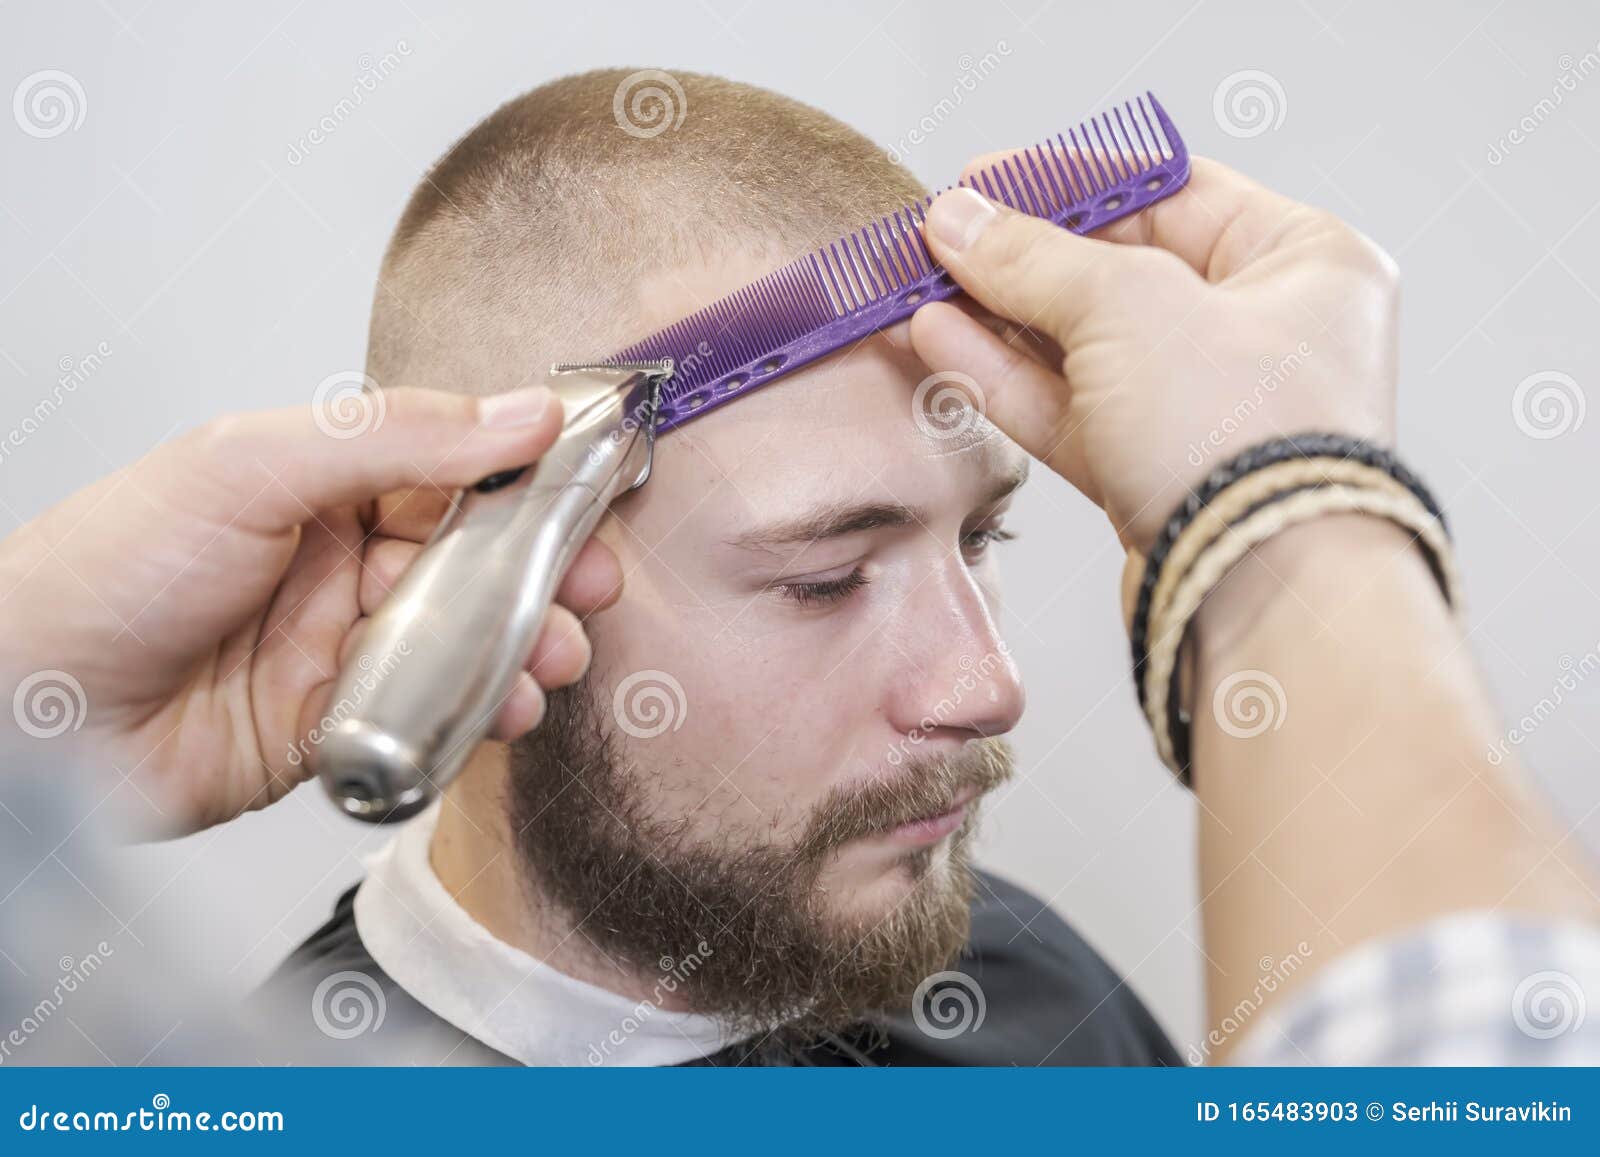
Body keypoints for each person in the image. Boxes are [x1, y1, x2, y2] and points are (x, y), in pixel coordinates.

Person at [2, 68, 1596, 1067]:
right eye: (828, 576)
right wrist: (1299, 523)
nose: (987, 684)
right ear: (482, 581)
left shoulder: (1021, 974)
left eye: (979, 535)